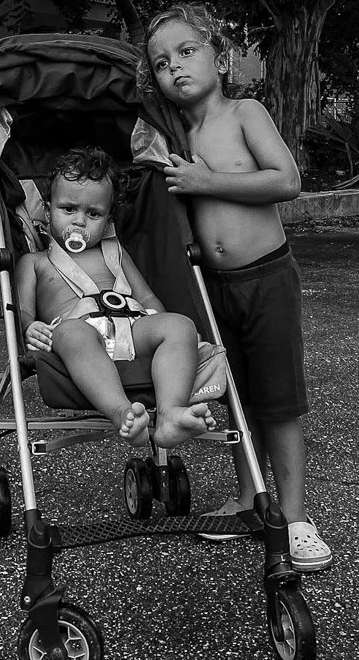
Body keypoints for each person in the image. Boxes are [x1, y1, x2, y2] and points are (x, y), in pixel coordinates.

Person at [142, 3, 333, 572]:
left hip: (267, 278)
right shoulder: (173, 135)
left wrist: (207, 180)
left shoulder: (243, 112)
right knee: (238, 399)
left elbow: (287, 180)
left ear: (219, 59)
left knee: (279, 400)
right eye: (159, 63)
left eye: (186, 51)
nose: (173, 67)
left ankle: (295, 517)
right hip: (213, 286)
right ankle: (253, 499)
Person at [16, 146, 218, 448]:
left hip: (132, 325)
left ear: (109, 218)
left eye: (93, 213)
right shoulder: (35, 262)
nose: (80, 222)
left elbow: (147, 298)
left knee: (180, 325)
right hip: (78, 331)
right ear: (47, 210)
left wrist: (166, 326)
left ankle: (170, 414)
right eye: (68, 209)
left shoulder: (116, 253)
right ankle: (123, 413)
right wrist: (29, 327)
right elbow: (21, 312)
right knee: (72, 334)